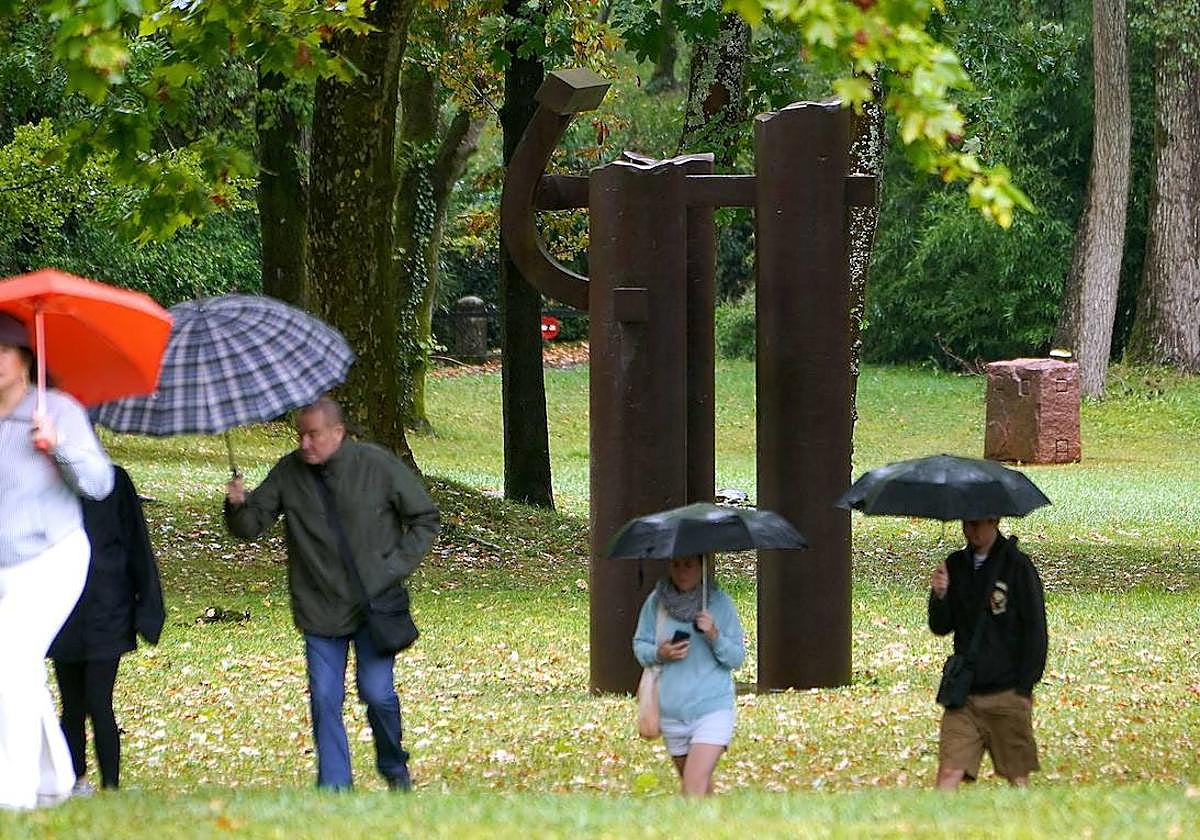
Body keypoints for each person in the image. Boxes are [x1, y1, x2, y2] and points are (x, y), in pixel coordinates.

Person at [223, 397, 439, 791]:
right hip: (319, 608)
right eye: (300, 435)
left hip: (374, 607)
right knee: (324, 699)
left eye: (313, 435)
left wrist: (391, 569)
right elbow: (252, 526)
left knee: (378, 695)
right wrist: (237, 505)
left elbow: (424, 518)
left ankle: (394, 767)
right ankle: (335, 788)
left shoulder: (376, 465)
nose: (304, 443)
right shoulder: (288, 472)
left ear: (338, 433)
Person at [0, 312, 114, 810]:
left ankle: (15, 793)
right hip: (4, 561)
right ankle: (56, 780)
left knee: (11, 661)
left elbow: (99, 483)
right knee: (17, 667)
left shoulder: (58, 410)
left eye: (3, 351)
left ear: (26, 359)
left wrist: (58, 447)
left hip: (54, 556)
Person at [49, 464, 165, 794]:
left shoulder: (114, 481)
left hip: (106, 606)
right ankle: (76, 779)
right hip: (65, 606)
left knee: (98, 701)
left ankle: (110, 785)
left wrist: (148, 608)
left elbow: (136, 543)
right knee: (72, 704)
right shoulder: (52, 482)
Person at [928, 517, 1048, 789]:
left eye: (978, 524)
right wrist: (940, 595)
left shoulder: (1017, 566)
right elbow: (941, 626)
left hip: (1006, 691)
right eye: (967, 525)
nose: (972, 532)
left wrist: (1025, 686)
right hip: (965, 695)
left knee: (1017, 776)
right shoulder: (956, 565)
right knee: (949, 772)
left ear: (994, 521)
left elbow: (1035, 629)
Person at [632, 555, 745, 796]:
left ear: (702, 568)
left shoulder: (719, 603)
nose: (682, 571)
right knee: (700, 789)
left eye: (688, 565)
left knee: (692, 786)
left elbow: (735, 658)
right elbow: (640, 647)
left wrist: (714, 635)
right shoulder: (657, 602)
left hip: (711, 709)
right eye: (676, 564)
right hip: (672, 711)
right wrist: (659, 652)